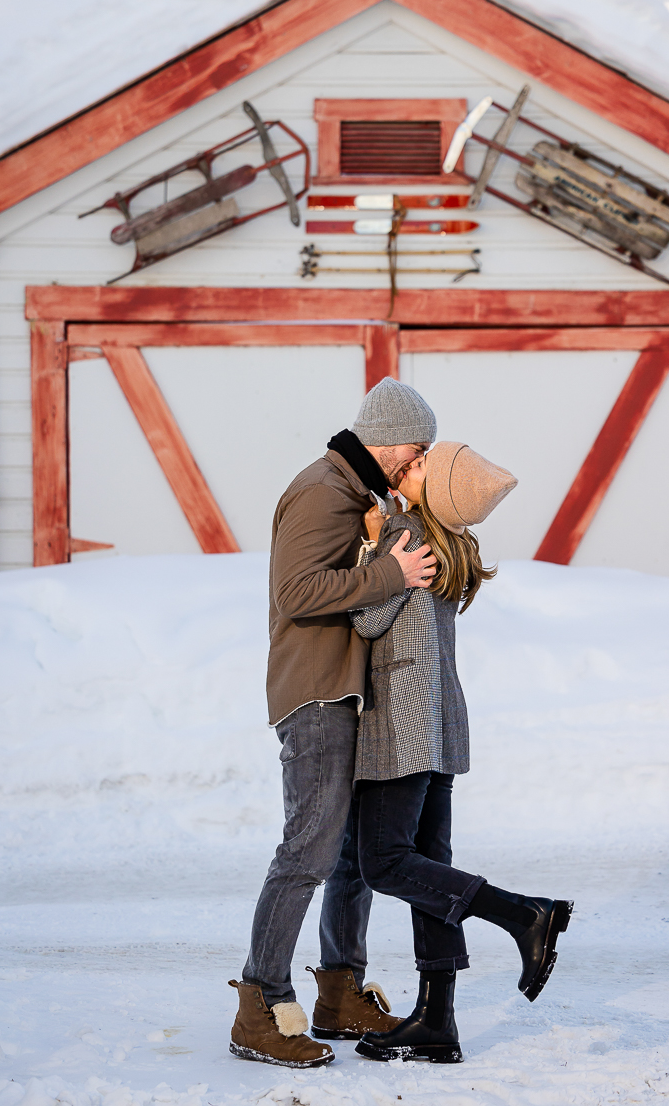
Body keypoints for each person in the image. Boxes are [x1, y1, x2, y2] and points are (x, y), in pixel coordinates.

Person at [228, 378, 440, 1069]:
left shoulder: (359, 494)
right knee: (308, 853)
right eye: (416, 449)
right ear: (386, 440)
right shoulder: (324, 489)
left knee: (350, 856)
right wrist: (388, 573)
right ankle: (259, 1007)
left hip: (345, 696)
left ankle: (339, 990)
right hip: (314, 693)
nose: (420, 463)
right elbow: (296, 592)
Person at [349, 443, 574, 1065]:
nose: (407, 467)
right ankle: (437, 1019)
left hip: (402, 725)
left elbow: (368, 620)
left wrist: (372, 545)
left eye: (421, 467)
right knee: (429, 872)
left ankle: (524, 915)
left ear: (439, 492)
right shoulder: (451, 541)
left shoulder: (406, 535)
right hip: (441, 726)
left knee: (385, 863)